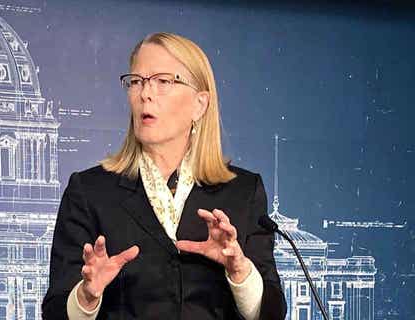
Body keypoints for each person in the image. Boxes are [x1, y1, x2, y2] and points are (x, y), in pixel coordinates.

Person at [42, 32, 286, 320]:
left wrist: (240, 271)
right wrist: (86, 296)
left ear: (200, 104)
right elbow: (55, 310)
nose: (145, 93)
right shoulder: (90, 191)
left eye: (163, 81)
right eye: (136, 81)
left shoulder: (243, 192)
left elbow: (272, 313)